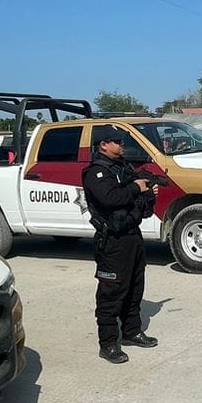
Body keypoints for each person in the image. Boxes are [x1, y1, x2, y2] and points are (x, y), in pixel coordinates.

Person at [81, 126, 159, 363]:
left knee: (135, 287)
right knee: (111, 293)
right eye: (115, 141)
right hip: (112, 241)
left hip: (132, 236)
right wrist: (137, 187)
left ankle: (132, 331)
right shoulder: (96, 172)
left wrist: (149, 193)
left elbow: (142, 206)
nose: (121, 145)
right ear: (103, 145)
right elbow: (110, 198)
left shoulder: (124, 167)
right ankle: (108, 344)